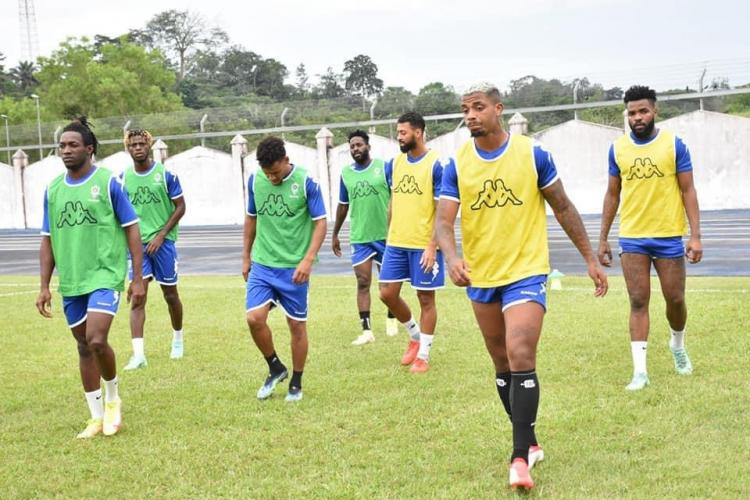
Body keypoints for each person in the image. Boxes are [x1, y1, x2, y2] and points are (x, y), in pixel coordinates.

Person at [436, 83, 608, 490]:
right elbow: (443, 222)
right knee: (501, 365)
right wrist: (452, 256)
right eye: (465, 109)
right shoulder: (456, 163)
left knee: (520, 351)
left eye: (478, 107)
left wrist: (588, 258)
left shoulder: (532, 154)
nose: (471, 115)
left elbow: (562, 207)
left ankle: (518, 461)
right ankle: (528, 441)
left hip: (527, 271)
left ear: (499, 109)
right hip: (481, 276)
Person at [35, 117, 145, 438]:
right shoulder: (53, 190)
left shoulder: (110, 183)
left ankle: (112, 399)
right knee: (84, 347)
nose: (66, 151)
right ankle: (95, 417)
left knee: (97, 339)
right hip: (71, 280)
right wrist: (44, 285)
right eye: (62, 146)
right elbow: (47, 239)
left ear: (89, 149)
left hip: (105, 275)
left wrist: (137, 277)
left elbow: (132, 229)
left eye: (72, 145)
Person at [598, 85, 702, 391]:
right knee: (638, 300)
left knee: (676, 299)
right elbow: (612, 194)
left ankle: (677, 345)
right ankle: (640, 372)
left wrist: (695, 236)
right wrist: (603, 238)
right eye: (632, 113)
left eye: (643, 111)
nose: (637, 117)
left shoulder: (674, 145)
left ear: (655, 111)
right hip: (632, 237)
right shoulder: (617, 149)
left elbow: (688, 190)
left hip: (669, 235)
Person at [242, 136, 327, 402]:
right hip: (264, 264)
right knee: (254, 318)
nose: (272, 178)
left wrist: (308, 260)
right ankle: (275, 367)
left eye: (276, 173)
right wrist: (245, 256)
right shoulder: (256, 181)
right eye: (268, 173)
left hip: (294, 269)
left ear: (286, 161)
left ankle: (296, 381)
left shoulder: (305, 183)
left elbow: (321, 222)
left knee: (296, 326)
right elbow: (251, 218)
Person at [378, 111, 445, 374]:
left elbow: (443, 210)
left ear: (418, 132)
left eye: (403, 132)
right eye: (398, 133)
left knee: (425, 299)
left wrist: (432, 245)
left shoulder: (437, 165)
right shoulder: (393, 164)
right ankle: (414, 336)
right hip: (396, 243)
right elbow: (393, 202)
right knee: (386, 293)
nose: (399, 137)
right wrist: (389, 233)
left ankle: (424, 355)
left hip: (423, 244)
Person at [121, 129, 186, 370]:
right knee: (138, 296)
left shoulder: (166, 175)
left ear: (149, 146)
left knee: (170, 295)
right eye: (133, 144)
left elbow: (180, 207)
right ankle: (138, 355)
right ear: (128, 148)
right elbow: (122, 217)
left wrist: (161, 235)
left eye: (141, 144)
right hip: (137, 247)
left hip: (164, 243)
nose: (137, 148)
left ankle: (178, 339)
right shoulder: (123, 179)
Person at [332, 129, 398, 345]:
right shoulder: (346, 174)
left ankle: (391, 317)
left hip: (385, 236)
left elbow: (396, 198)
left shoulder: (383, 167)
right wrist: (335, 234)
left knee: (388, 285)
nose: (355, 149)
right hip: (360, 237)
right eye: (352, 146)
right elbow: (343, 206)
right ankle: (367, 331)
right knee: (362, 282)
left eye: (359, 145)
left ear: (368, 146)